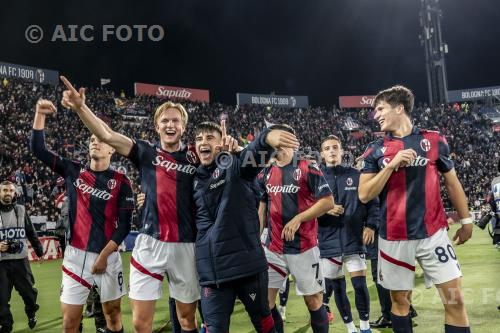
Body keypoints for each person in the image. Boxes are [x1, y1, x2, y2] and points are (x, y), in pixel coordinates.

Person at [59, 76, 200, 333]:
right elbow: (106, 134)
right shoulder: (146, 152)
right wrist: (80, 107)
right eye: (165, 120)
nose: (170, 124)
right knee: (139, 322)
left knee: (187, 319)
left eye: (175, 120)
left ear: (183, 126)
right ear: (157, 126)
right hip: (149, 244)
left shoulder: (196, 155)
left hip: (186, 244)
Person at [359, 85, 473, 333]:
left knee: (455, 300)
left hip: (433, 234)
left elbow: (452, 182)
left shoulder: (433, 140)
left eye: (380, 109)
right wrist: (390, 167)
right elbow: (365, 194)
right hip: (393, 238)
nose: (375, 115)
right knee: (400, 303)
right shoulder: (374, 150)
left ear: (399, 108)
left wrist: (466, 220)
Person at [31, 99, 134, 333]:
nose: (95, 142)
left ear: (111, 148)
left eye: (100, 139)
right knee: (70, 322)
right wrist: (40, 114)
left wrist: (104, 256)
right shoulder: (73, 170)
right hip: (75, 256)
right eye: (91, 140)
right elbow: (38, 150)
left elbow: (125, 226)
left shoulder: (121, 182)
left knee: (113, 315)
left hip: (107, 256)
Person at [194, 120, 297, 332]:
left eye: (209, 138)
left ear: (222, 142)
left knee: (264, 322)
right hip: (212, 274)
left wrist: (266, 139)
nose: (202, 142)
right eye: (198, 139)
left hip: (247, 268)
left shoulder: (237, 164)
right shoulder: (192, 178)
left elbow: (256, 156)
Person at [260, 124, 335, 333]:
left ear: (293, 142)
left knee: (313, 301)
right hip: (273, 247)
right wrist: (258, 237)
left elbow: (328, 202)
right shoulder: (266, 171)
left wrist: (298, 219)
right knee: (266, 303)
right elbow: (262, 206)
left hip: (304, 248)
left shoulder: (307, 167)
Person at [318, 135, 379, 333]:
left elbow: (372, 202)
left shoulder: (357, 174)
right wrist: (325, 209)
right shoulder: (315, 177)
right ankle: (350, 328)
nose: (331, 151)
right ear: (322, 153)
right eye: (327, 148)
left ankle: (365, 326)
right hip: (328, 241)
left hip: (353, 238)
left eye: (335, 147)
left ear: (342, 151)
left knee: (360, 285)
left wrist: (370, 225)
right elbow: (306, 207)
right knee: (338, 288)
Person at [0, 180, 44, 333]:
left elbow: (31, 232)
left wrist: (39, 250)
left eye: (11, 190)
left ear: (15, 193)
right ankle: (6, 325)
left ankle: (31, 311)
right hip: (1, 263)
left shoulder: (21, 210)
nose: (8, 193)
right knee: (1, 300)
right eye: (5, 190)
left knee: (29, 294)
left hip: (21, 261)